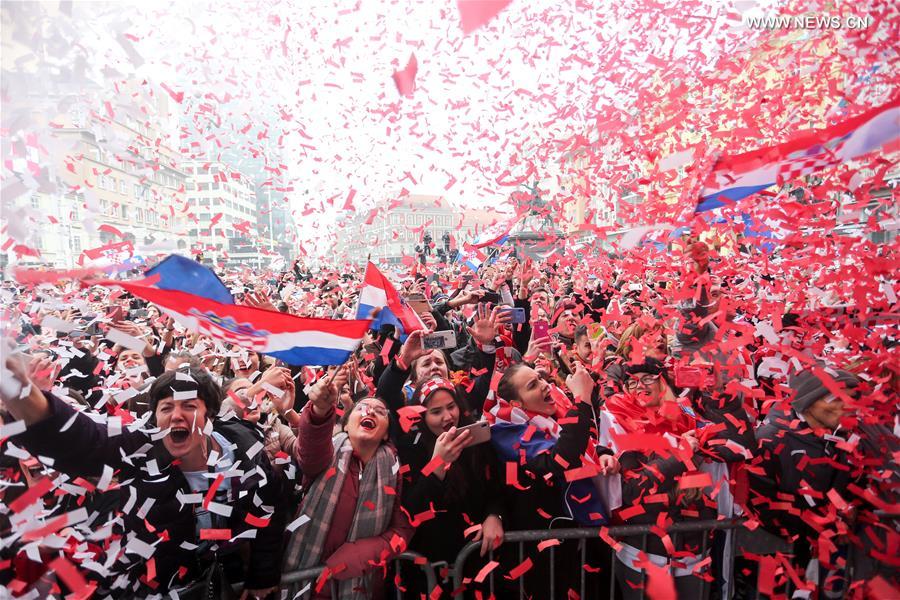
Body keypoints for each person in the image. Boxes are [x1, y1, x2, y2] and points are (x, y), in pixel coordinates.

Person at [2, 357, 287, 598]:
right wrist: (16, 389)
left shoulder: (245, 451)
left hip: (227, 578)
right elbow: (82, 440)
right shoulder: (140, 447)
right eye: (166, 408)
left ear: (209, 414)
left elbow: (269, 514)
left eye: (188, 406)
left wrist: (262, 577)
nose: (176, 416)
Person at [598, 357, 755, 600]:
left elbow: (742, 445)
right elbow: (631, 491)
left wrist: (718, 393)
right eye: (631, 382)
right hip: (643, 554)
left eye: (648, 379)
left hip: (692, 550)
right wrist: (680, 456)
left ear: (663, 384)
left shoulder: (686, 414)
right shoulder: (620, 424)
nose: (640, 386)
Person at [488, 362, 619, 597]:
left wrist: (603, 454)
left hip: (581, 535)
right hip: (543, 546)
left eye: (540, 378)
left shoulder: (553, 413)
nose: (544, 385)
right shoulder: (506, 431)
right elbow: (557, 461)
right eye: (532, 385)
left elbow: (579, 445)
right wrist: (581, 399)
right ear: (517, 404)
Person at [284, 373, 414, 599]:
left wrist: (360, 554)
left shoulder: (393, 470)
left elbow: (402, 530)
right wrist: (320, 412)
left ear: (385, 434)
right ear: (346, 425)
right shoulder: (327, 453)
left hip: (359, 589)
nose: (370, 412)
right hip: (306, 586)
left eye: (380, 411)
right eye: (362, 408)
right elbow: (310, 450)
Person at [391, 377, 506, 596]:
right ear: (423, 416)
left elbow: (496, 490)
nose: (447, 417)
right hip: (431, 573)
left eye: (451, 407)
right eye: (436, 411)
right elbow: (411, 509)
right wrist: (438, 464)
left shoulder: (476, 441)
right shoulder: (408, 450)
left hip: (477, 562)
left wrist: (494, 515)